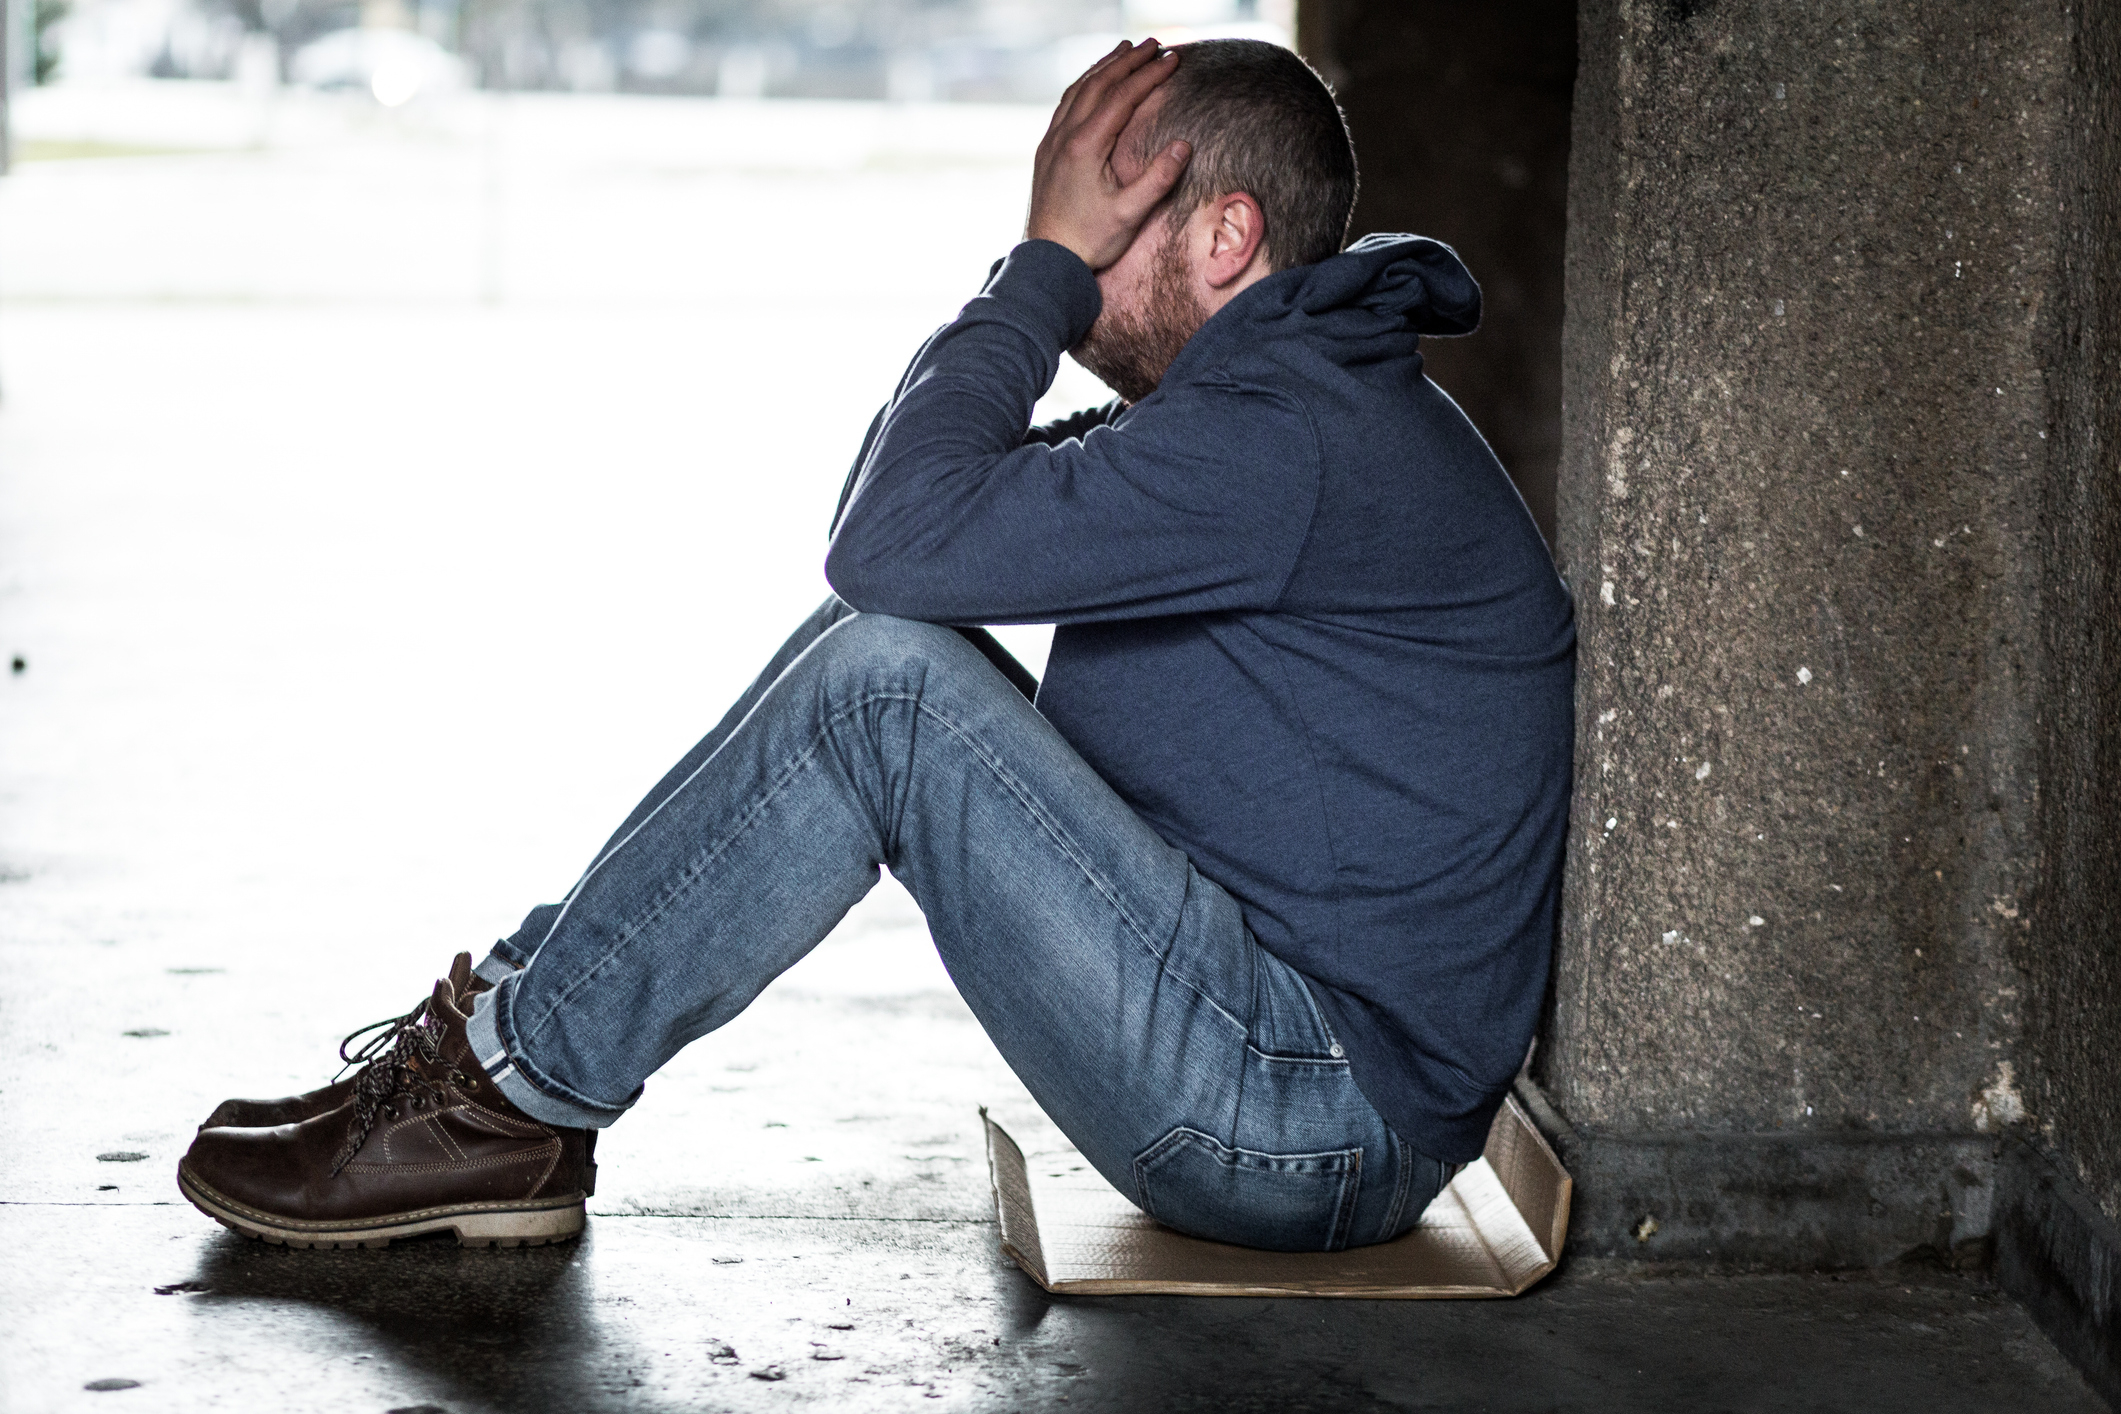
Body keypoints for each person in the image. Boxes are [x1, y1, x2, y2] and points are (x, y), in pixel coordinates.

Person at [177, 36, 1576, 1255]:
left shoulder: (1278, 442)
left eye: (1101, 224)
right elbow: (903, 540)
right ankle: (504, 1049)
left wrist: (1034, 275)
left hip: (1305, 1119)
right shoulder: (1274, 408)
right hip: (1287, 1070)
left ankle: (503, 1100)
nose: (1073, 266)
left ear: (1224, 237)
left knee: (884, 691)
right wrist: (1042, 268)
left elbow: (895, 531)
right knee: (876, 642)